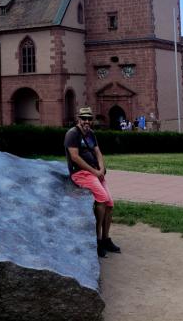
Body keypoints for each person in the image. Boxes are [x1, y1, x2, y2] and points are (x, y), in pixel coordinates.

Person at [64, 106, 121, 258]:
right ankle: (97, 240)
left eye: (89, 118)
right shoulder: (72, 134)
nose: (87, 121)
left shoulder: (90, 134)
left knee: (110, 203)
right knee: (102, 198)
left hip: (95, 173)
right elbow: (75, 157)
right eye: (84, 118)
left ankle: (106, 238)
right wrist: (94, 172)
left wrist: (101, 169)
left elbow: (98, 152)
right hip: (81, 174)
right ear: (78, 119)